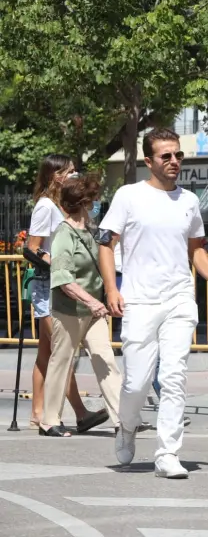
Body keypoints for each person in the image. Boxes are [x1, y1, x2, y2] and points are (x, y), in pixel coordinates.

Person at [98, 128, 208, 479]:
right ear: (149, 161)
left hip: (179, 299)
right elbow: (105, 244)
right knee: (136, 382)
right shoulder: (129, 196)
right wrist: (112, 289)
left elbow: (197, 249)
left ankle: (167, 454)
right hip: (140, 300)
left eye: (178, 155)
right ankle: (127, 425)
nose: (174, 162)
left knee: (173, 377)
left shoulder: (189, 201)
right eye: (166, 156)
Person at [26, 154, 108, 433]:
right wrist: (58, 265)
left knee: (49, 351)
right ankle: (71, 413)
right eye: (70, 172)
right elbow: (32, 247)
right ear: (55, 176)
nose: (75, 175)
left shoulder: (61, 206)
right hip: (49, 286)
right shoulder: (46, 206)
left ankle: (41, 412)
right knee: (62, 351)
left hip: (60, 285)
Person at [39, 175, 122, 437]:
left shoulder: (91, 232)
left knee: (105, 358)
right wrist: (92, 300)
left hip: (93, 311)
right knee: (62, 361)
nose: (97, 204)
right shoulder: (64, 234)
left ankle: (123, 418)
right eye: (94, 200)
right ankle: (49, 420)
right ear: (84, 203)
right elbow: (63, 279)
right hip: (70, 310)